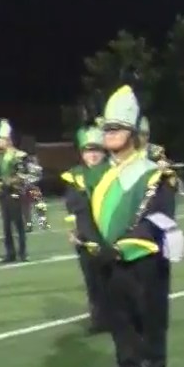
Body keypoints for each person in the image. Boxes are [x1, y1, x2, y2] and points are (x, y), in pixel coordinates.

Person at [84, 86, 182, 367]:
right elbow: (83, 213)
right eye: (107, 129)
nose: (109, 134)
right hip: (107, 259)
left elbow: (158, 216)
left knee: (150, 318)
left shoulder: (154, 174)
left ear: (133, 133)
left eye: (116, 128)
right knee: (119, 320)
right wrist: (96, 244)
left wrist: (126, 243)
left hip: (144, 259)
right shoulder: (97, 175)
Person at [58, 126, 111, 333]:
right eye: (88, 150)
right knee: (92, 282)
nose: (93, 154)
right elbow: (71, 208)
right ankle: (98, 321)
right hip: (84, 237)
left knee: (114, 281)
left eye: (97, 150)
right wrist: (72, 231)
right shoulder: (74, 176)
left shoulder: (113, 172)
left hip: (108, 235)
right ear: (82, 152)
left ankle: (119, 320)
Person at [0, 119, 31, 263]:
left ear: (8, 140)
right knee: (6, 225)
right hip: (4, 194)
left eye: (1, 139)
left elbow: (24, 174)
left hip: (16, 193)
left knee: (18, 224)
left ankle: (23, 252)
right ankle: (10, 253)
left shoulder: (20, 156)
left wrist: (12, 181)